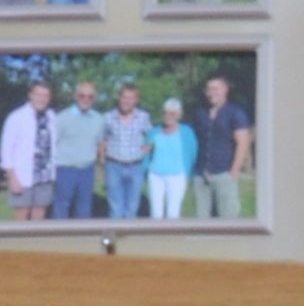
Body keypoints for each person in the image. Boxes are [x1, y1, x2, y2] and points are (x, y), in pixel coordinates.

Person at [193, 70, 254, 218]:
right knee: (201, 222)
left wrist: (234, 170)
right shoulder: (200, 113)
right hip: (201, 175)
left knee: (228, 219)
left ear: (225, 89)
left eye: (215, 89)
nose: (211, 93)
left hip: (224, 173)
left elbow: (243, 142)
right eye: (209, 89)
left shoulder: (235, 112)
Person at [0, 77, 57, 221]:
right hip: (22, 176)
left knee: (40, 213)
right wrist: (12, 177)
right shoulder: (16, 117)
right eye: (38, 95)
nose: (41, 99)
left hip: (45, 176)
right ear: (30, 95)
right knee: (21, 215)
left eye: (45, 96)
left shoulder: (52, 117)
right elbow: (6, 149)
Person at [49, 79, 106, 219]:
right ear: (75, 96)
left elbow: (100, 142)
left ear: (94, 99)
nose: (86, 99)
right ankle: (59, 237)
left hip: (87, 170)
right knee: (62, 205)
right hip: (65, 169)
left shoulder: (98, 119)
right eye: (82, 95)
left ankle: (81, 239)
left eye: (90, 96)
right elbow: (52, 144)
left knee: (84, 207)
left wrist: (102, 165)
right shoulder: (62, 118)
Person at [101, 80, 152, 220]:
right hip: (113, 166)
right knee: (115, 208)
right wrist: (102, 162)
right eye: (124, 97)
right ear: (119, 98)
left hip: (135, 167)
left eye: (131, 98)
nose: (126, 101)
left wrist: (144, 153)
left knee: (132, 208)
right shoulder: (108, 117)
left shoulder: (143, 117)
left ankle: (129, 240)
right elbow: (102, 140)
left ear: (136, 100)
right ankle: (115, 239)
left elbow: (151, 139)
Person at [146, 90, 198, 218]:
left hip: (176, 176)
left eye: (172, 113)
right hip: (155, 175)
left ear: (179, 115)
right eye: (166, 113)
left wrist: (187, 172)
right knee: (155, 212)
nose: (168, 116)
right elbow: (145, 151)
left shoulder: (186, 132)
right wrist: (146, 168)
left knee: (173, 212)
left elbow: (192, 152)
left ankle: (171, 237)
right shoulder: (154, 131)